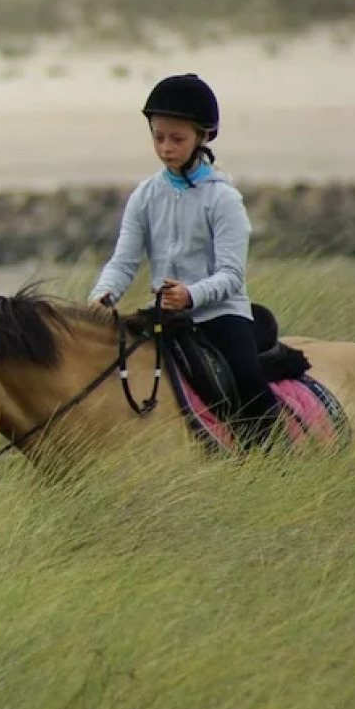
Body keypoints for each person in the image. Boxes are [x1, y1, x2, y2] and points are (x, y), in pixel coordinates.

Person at [88, 73, 279, 447]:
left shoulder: (223, 199)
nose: (165, 148)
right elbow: (123, 261)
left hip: (220, 314)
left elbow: (231, 274)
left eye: (177, 138)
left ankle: (274, 454)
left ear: (202, 137)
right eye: (158, 137)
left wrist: (191, 295)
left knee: (245, 375)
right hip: (163, 314)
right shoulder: (144, 195)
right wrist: (104, 295)